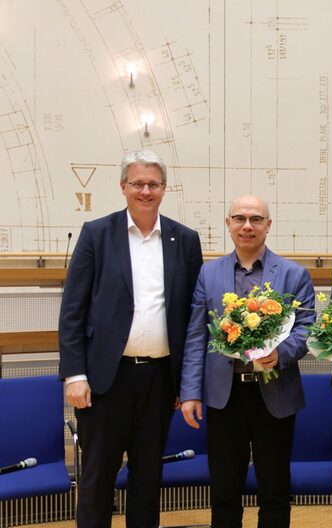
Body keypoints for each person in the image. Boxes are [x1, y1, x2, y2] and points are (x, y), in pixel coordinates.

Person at [58, 150, 203, 528]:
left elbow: (192, 317)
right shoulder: (96, 233)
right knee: (96, 479)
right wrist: (74, 374)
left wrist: (186, 382)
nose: (145, 191)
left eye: (153, 184)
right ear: (123, 186)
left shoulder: (184, 240)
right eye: (137, 183)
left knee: (147, 479)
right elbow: (73, 310)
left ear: (164, 189)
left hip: (159, 381)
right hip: (105, 380)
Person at [180, 194, 315, 528]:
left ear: (268, 225)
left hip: (275, 395)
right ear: (228, 224)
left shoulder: (293, 275)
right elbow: (197, 336)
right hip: (224, 398)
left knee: (275, 492)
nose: (247, 226)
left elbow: (306, 330)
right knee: (224, 492)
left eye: (256, 219)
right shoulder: (208, 275)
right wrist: (190, 393)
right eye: (239, 218)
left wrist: (280, 354)